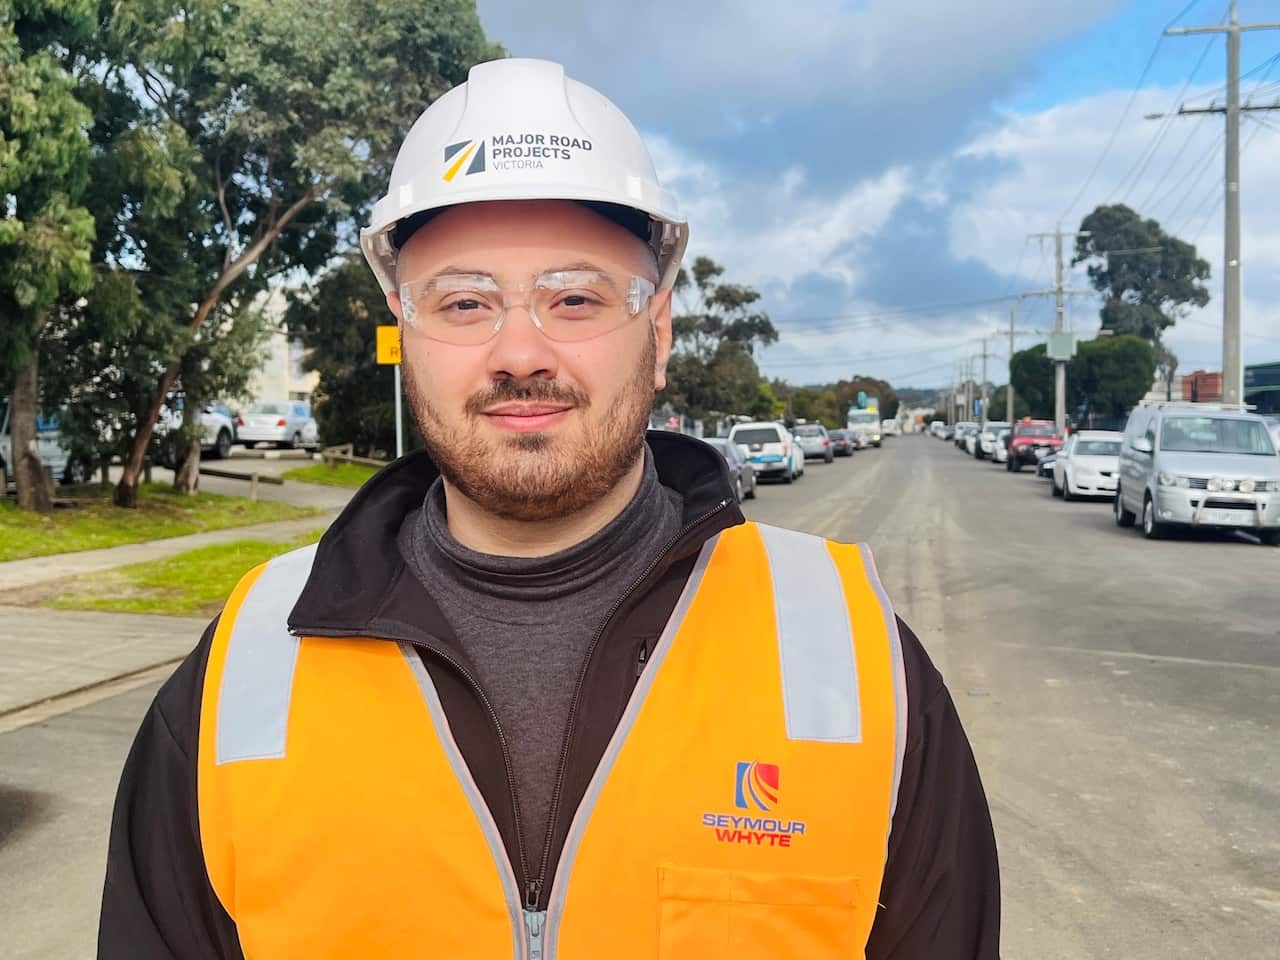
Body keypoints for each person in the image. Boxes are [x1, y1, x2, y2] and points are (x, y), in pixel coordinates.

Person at [99, 58, 999, 959]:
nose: (519, 352)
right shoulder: (244, 671)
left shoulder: (852, 662)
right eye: (463, 301)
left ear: (658, 331)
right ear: (403, 334)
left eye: (575, 297)